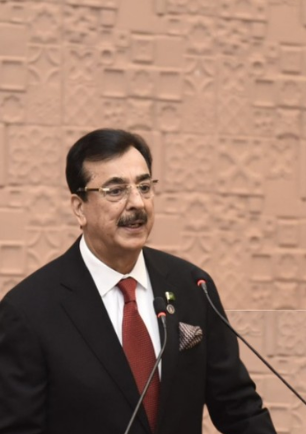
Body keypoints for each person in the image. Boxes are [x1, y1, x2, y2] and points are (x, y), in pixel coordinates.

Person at [0, 129, 277, 434]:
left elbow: (239, 408)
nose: (137, 203)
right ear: (79, 208)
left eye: (144, 187)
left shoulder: (193, 287)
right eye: (115, 191)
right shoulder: (28, 311)